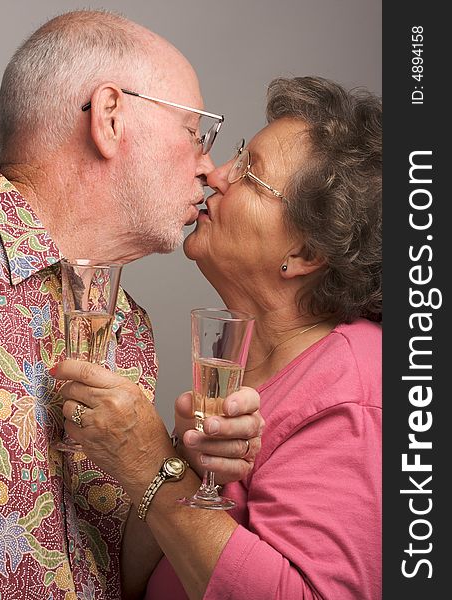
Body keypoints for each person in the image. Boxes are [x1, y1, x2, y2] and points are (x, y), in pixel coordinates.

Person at [53, 75, 382, 599]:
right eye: (235, 156)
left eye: (252, 173)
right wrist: (182, 460)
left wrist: (150, 463)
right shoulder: (243, 367)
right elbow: (133, 582)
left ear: (305, 255)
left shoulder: (354, 388)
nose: (216, 174)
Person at [0, 10, 263, 599]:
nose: (208, 167)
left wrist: (175, 463)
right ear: (110, 118)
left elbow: (112, 572)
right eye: (195, 132)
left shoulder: (128, 328)